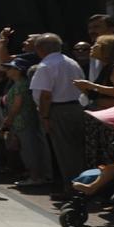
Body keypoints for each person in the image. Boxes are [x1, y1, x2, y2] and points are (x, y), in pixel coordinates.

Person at [29, 33, 86, 195]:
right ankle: (80, 186)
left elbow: (45, 95)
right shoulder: (72, 63)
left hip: (58, 110)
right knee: (76, 150)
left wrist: (45, 117)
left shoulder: (46, 65)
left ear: (39, 49)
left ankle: (71, 189)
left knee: (64, 152)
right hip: (76, 107)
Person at [74, 33, 114, 167]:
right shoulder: (106, 67)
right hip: (103, 117)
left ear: (108, 49)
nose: (92, 47)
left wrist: (91, 86)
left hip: (110, 121)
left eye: (97, 45)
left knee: (110, 156)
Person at [0, 57, 51, 188]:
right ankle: (35, 175)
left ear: (18, 70)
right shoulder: (19, 83)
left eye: (10, 68)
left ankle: (35, 177)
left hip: (23, 121)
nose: (7, 70)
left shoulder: (21, 84)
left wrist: (8, 120)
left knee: (29, 150)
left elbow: (17, 105)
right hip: (22, 121)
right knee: (28, 149)